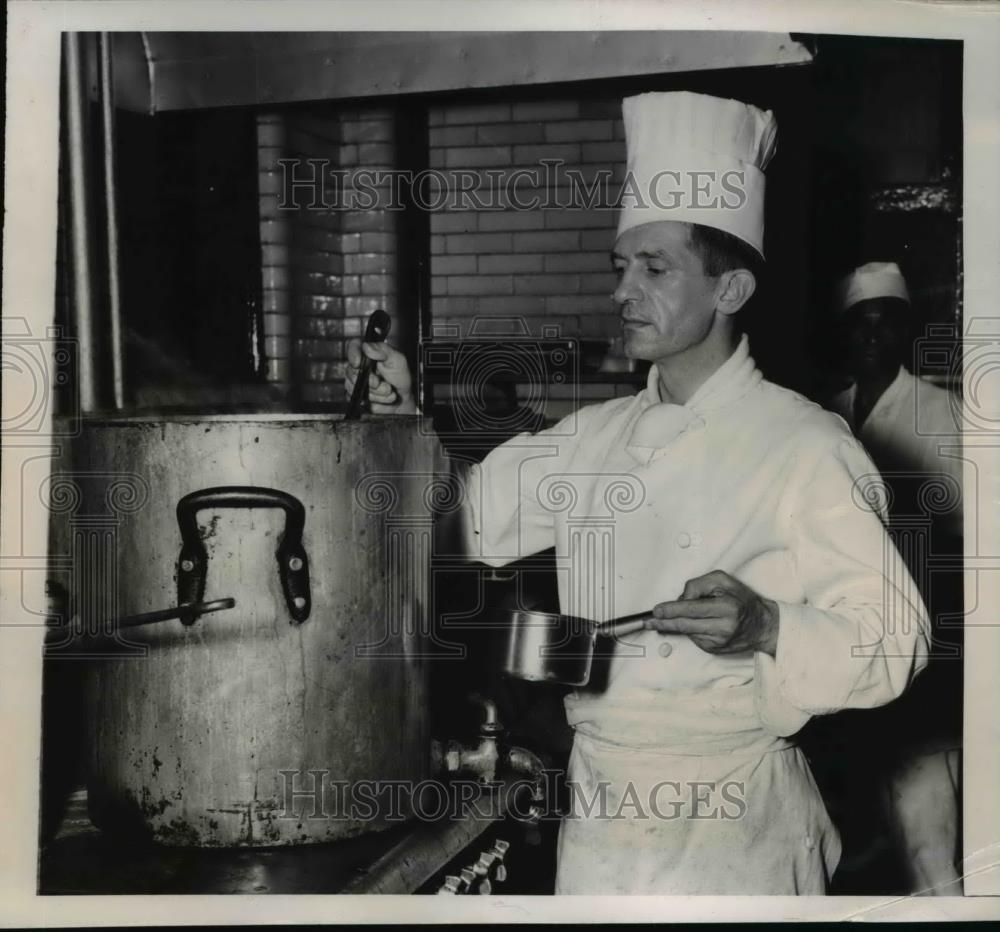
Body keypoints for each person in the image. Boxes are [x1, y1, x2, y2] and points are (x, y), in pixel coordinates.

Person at [345, 91, 930, 895]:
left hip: (737, 837)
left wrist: (768, 626)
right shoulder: (598, 436)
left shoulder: (805, 446)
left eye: (654, 268)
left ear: (729, 292)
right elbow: (458, 522)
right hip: (601, 827)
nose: (623, 291)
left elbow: (896, 639)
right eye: (621, 268)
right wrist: (402, 425)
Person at [826, 262, 963, 895]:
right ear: (846, 334)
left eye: (887, 324)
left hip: (932, 627)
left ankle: (939, 890)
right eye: (862, 325)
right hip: (847, 626)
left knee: (922, 796)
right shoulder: (826, 417)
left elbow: (971, 534)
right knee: (868, 781)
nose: (873, 337)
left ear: (906, 331)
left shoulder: (945, 412)